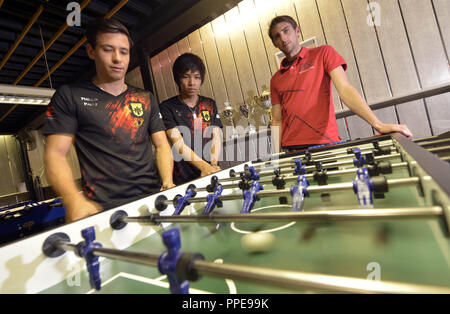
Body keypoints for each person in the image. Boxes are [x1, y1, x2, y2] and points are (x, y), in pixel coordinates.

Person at [43, 18, 175, 223]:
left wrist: (167, 180)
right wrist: (73, 200)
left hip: (151, 201)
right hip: (102, 211)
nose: (117, 58)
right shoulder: (70, 95)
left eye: (124, 52)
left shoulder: (145, 98)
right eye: (107, 49)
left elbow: (162, 145)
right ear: (91, 51)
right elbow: (55, 154)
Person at [268, 15, 412, 153]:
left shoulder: (323, 53)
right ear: (275, 43)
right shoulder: (275, 79)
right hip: (291, 149)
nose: (283, 38)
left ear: (297, 31)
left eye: (286, 31)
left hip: (325, 144)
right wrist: (275, 155)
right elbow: (276, 119)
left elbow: (345, 89)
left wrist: (378, 125)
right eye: (277, 36)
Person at [159, 53, 223, 185]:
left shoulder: (209, 104)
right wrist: (206, 168)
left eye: (197, 77)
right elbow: (179, 144)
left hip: (212, 172)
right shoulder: (167, 107)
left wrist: (213, 164)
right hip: (184, 178)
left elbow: (216, 137)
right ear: (178, 79)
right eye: (186, 77)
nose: (192, 83)